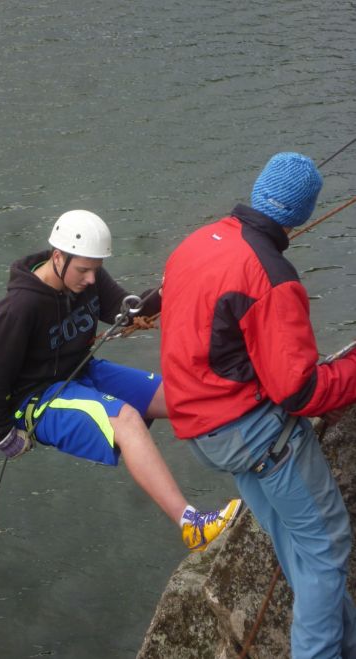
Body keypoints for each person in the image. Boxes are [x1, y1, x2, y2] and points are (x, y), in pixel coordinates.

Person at [160, 152, 356, 658]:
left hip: (206, 432)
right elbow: (301, 391)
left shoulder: (196, 242)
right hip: (258, 436)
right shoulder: (271, 275)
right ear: (302, 212)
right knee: (326, 548)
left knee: (300, 550)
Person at [0, 209, 242, 552]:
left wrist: (172, 288)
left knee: (180, 395)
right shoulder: (18, 308)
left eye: (95, 270)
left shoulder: (89, 277)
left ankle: (253, 461)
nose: (90, 280)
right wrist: (4, 434)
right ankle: (192, 525)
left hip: (81, 371)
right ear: (58, 257)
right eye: (83, 270)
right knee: (127, 420)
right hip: (38, 400)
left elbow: (125, 310)